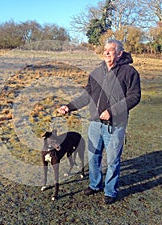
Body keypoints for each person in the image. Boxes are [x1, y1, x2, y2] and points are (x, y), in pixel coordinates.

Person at [58, 39, 141, 204]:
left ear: (120, 53)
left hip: (115, 126)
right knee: (94, 156)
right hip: (95, 124)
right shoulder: (96, 72)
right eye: (105, 49)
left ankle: (110, 191)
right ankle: (95, 185)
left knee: (112, 160)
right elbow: (86, 95)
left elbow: (134, 97)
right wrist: (69, 107)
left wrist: (112, 111)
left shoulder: (130, 73)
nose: (106, 52)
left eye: (111, 50)